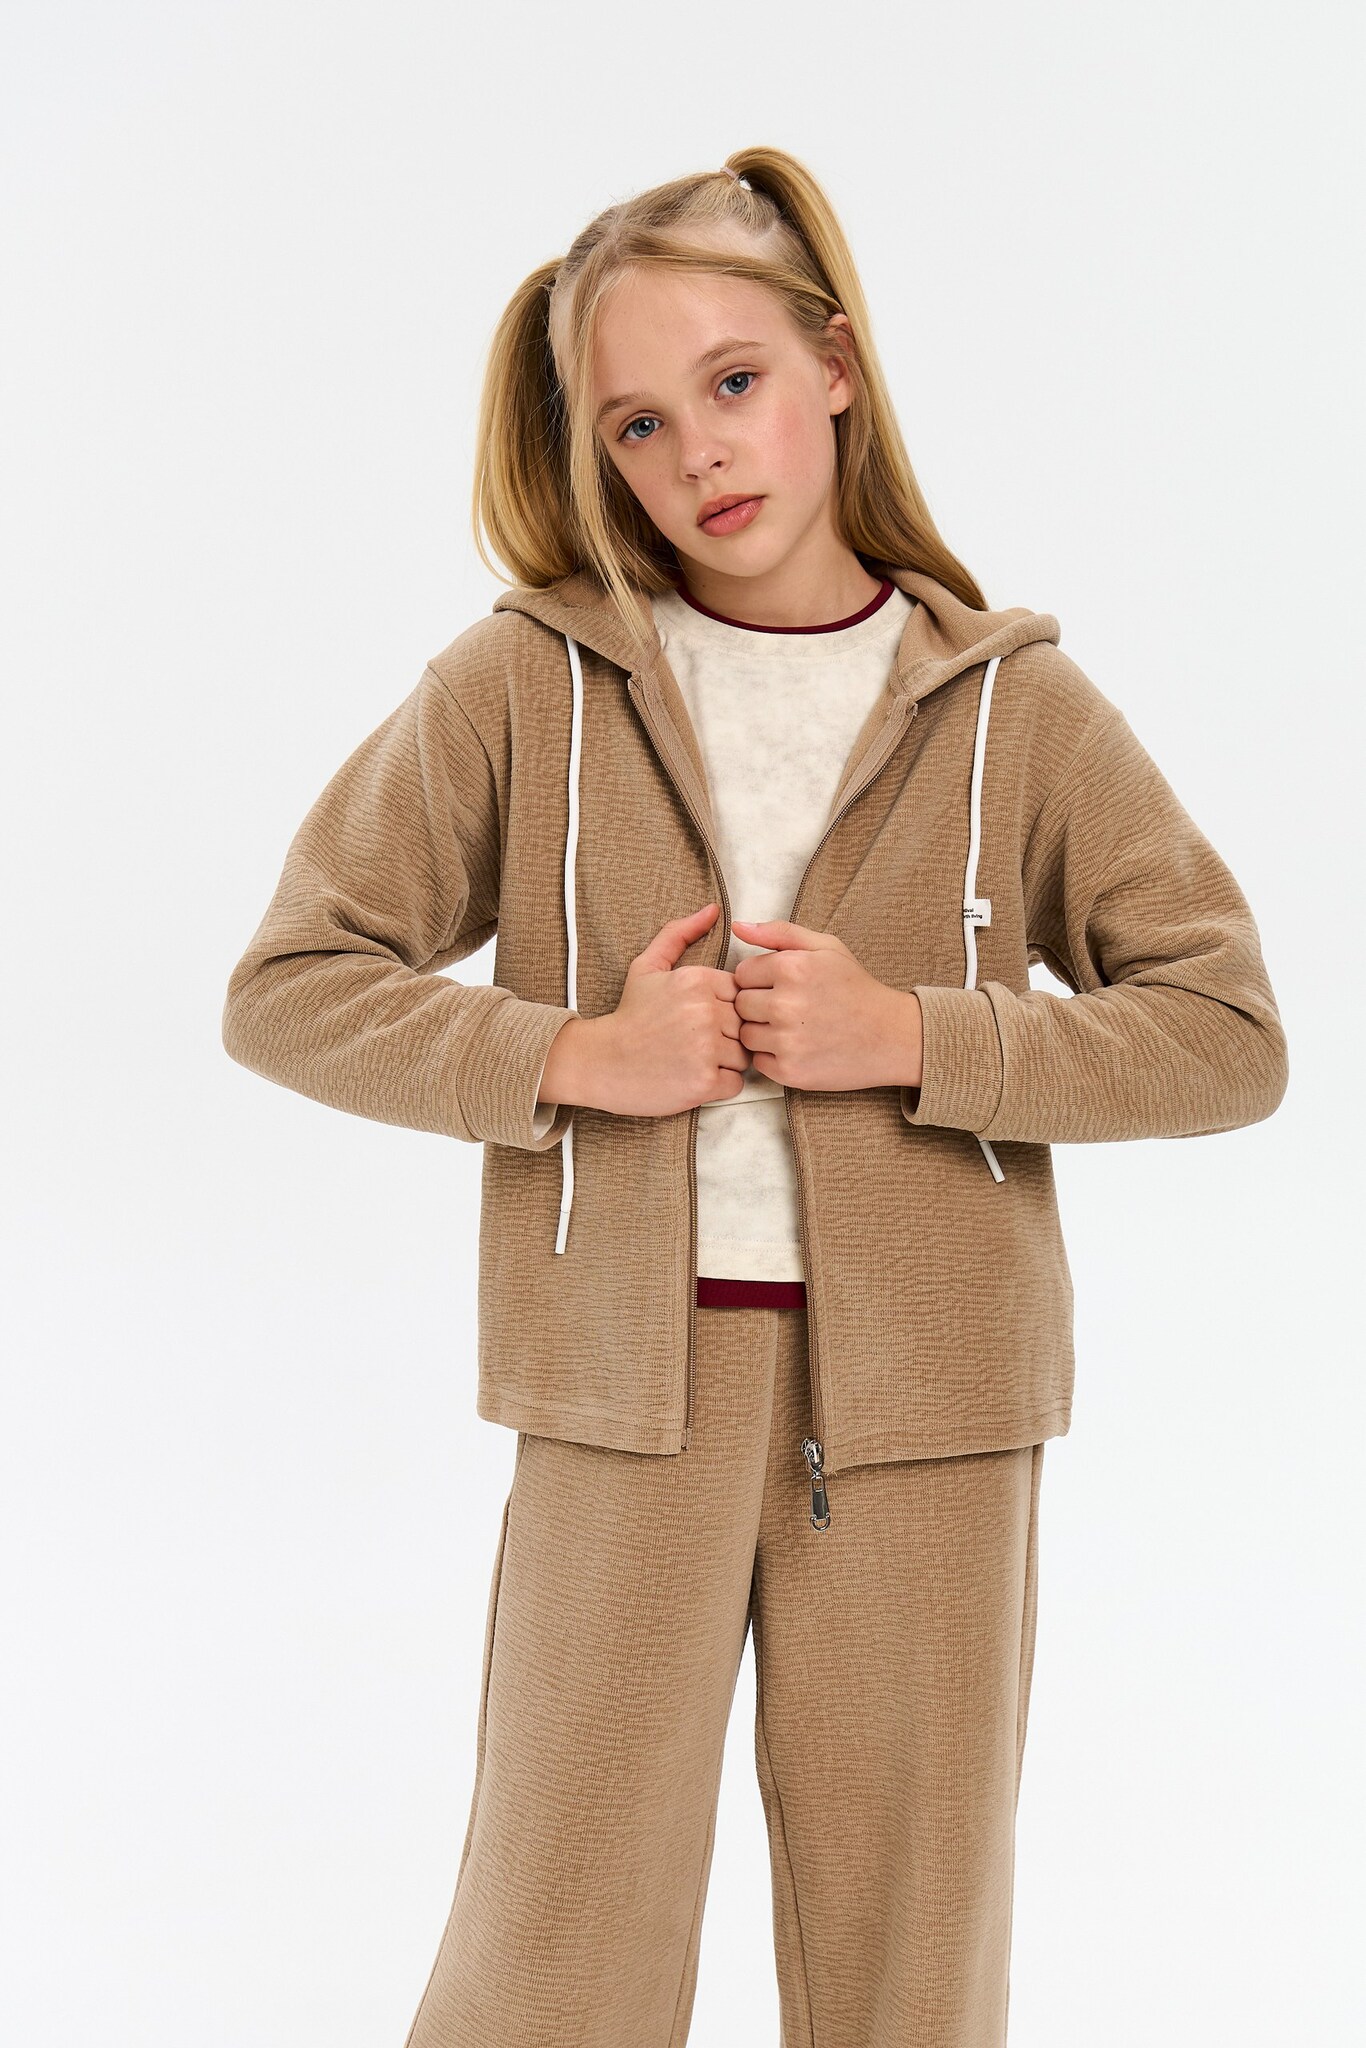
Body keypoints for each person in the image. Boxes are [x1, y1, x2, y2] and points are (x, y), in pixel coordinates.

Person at [221, 147, 1289, 2048]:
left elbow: (1225, 1034)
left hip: (932, 1413)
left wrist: (918, 1038)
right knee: (554, 1940)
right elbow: (290, 985)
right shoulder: (526, 683)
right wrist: (570, 1057)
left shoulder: (1015, 707)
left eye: (732, 381)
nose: (695, 452)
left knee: (909, 1957)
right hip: (622, 1397)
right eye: (635, 424)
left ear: (836, 365)